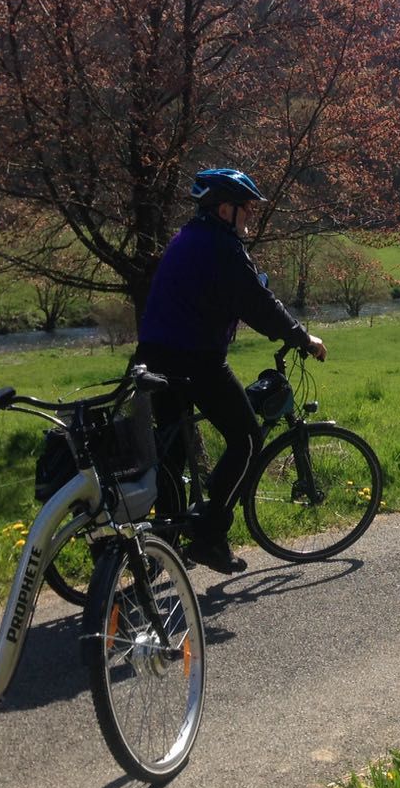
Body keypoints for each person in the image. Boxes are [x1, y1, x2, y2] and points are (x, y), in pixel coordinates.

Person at [135, 166, 325, 573]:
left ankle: (163, 548)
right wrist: (303, 338)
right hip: (195, 360)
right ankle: (209, 536)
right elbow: (258, 303)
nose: (249, 217)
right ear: (225, 209)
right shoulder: (221, 246)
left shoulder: (186, 237)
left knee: (171, 455)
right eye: (246, 209)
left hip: (153, 357)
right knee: (248, 439)